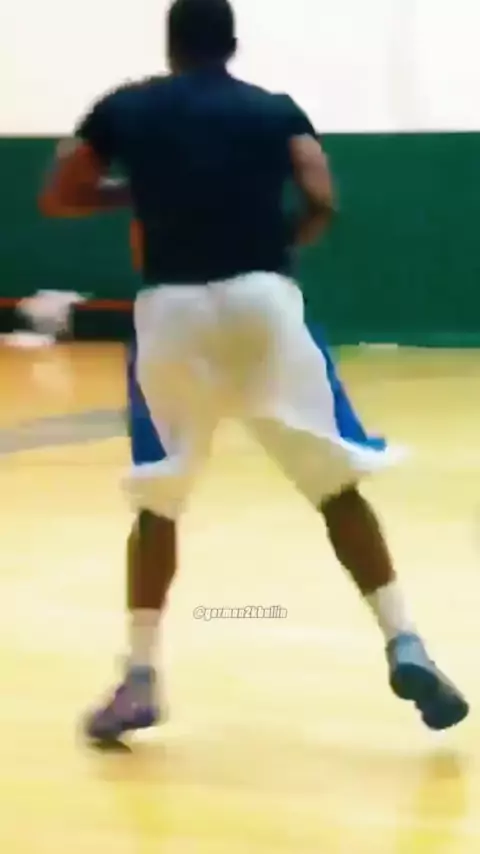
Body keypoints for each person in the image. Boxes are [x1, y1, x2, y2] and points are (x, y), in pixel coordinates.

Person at [39, 0, 468, 742]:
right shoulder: (275, 109)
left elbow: (61, 193)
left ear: (171, 46)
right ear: (232, 44)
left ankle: (139, 677)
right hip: (264, 300)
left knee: (160, 497)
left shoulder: (125, 108)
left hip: (172, 311)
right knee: (336, 486)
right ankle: (405, 640)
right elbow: (321, 194)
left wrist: (135, 191)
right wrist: (286, 241)